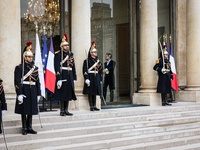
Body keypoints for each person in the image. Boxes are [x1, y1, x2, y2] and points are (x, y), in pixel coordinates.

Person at [14, 42, 41, 135]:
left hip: (32, 90)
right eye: (29, 57)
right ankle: (24, 127)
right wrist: (19, 93)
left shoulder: (35, 68)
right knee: (24, 110)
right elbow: (17, 81)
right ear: (25, 57)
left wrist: (39, 93)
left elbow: (38, 81)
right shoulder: (19, 67)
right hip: (24, 89)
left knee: (31, 109)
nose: (31, 58)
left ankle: (29, 127)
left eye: (31, 57)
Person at [54, 34, 77, 116]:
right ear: (62, 46)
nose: (67, 47)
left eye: (67, 45)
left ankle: (66, 110)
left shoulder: (71, 55)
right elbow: (56, 67)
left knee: (68, 93)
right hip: (62, 75)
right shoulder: (58, 55)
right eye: (65, 45)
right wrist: (59, 78)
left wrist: (74, 77)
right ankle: (62, 110)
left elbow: (73, 66)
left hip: (69, 74)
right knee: (62, 93)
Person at [83, 41, 103, 111]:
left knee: (95, 92)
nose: (95, 53)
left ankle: (94, 105)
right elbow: (85, 70)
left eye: (96, 52)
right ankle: (91, 106)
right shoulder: (87, 61)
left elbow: (100, 70)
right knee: (90, 92)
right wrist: (86, 79)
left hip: (96, 77)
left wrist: (100, 79)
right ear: (91, 53)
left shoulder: (98, 61)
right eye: (94, 52)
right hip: (90, 76)